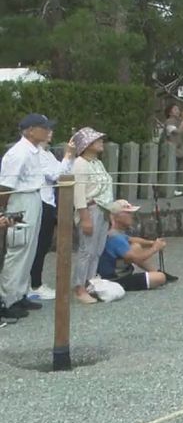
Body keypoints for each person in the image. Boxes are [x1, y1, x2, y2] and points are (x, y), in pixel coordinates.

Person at [0, 114, 56, 319]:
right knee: (18, 248)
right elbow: (5, 185)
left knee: (30, 248)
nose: (47, 131)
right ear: (30, 130)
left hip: (33, 196)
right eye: (43, 127)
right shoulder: (19, 153)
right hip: (20, 200)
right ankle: (8, 298)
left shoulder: (34, 152)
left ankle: (21, 292)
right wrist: (4, 211)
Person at [30, 128, 74, 300]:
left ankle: (35, 282)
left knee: (43, 244)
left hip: (48, 201)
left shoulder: (46, 153)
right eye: (45, 129)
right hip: (40, 201)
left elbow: (63, 172)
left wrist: (69, 157)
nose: (50, 132)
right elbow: (56, 174)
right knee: (38, 244)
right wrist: (68, 155)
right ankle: (34, 284)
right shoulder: (36, 155)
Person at [70, 127, 113, 304]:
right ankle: (79, 287)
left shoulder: (97, 162)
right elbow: (78, 192)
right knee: (86, 250)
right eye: (97, 140)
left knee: (97, 249)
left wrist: (110, 210)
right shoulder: (80, 163)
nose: (101, 142)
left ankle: (90, 282)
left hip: (103, 209)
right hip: (90, 208)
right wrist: (85, 216)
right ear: (87, 145)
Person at [97, 200, 168, 292]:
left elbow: (132, 239)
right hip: (115, 279)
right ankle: (157, 273)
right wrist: (155, 248)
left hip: (119, 274)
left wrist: (152, 242)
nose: (132, 216)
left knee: (136, 246)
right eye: (128, 213)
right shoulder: (115, 238)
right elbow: (136, 259)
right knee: (160, 278)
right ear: (117, 217)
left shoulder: (114, 233)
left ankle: (155, 271)